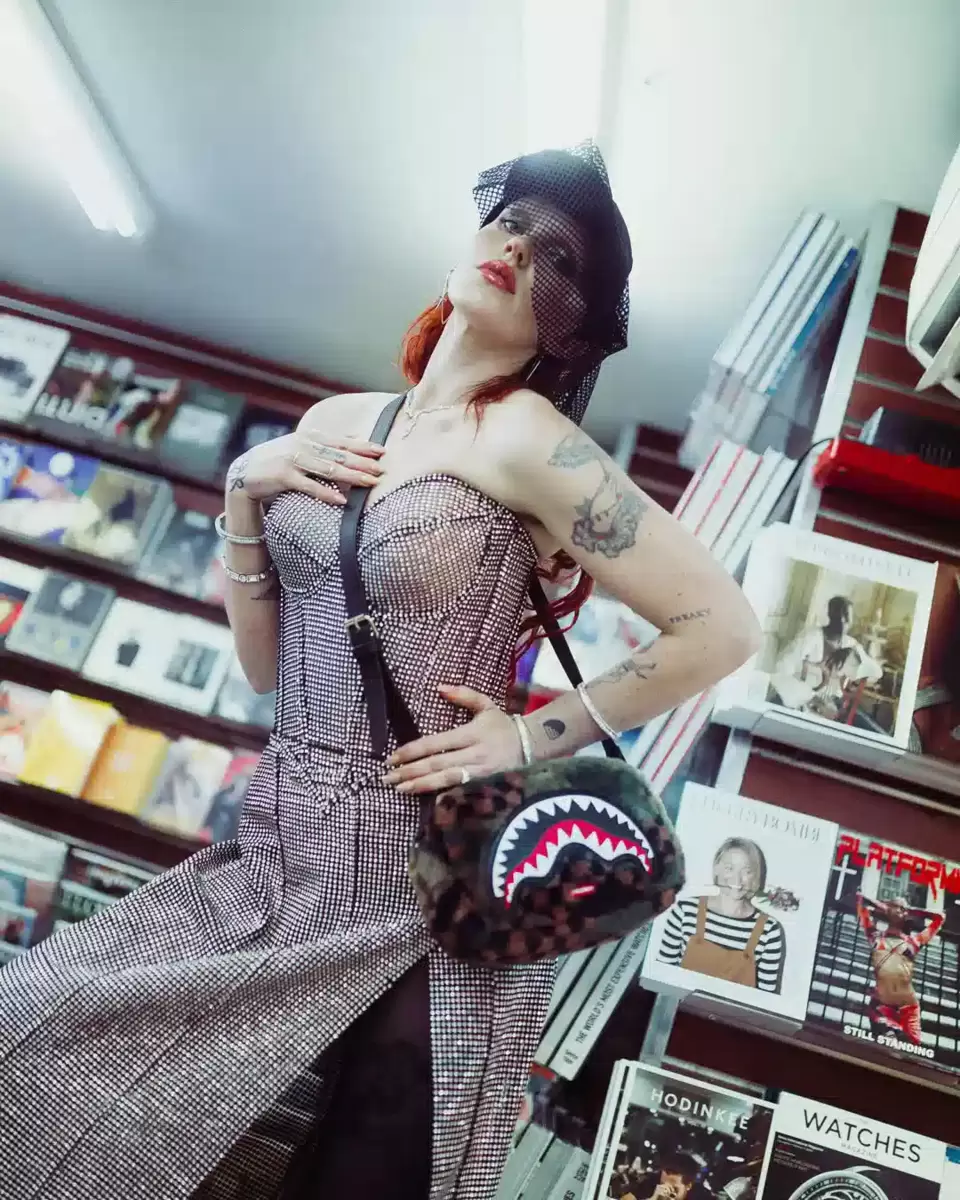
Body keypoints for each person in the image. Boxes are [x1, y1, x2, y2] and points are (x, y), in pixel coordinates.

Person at [0, 144, 761, 1200]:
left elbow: (720, 625)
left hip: (425, 872)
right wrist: (244, 490)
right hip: (280, 842)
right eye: (512, 223)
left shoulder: (527, 439)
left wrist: (527, 735)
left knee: (361, 1177)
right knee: (38, 1040)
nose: (518, 251)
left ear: (569, 328)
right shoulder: (335, 425)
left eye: (558, 259)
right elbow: (266, 667)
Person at [658, 838, 785, 992]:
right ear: (717, 869)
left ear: (755, 876)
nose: (737, 879)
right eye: (729, 868)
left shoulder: (769, 930)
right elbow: (661, 977)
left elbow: (765, 999)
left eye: (747, 871)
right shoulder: (685, 911)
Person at [769, 595, 884, 727]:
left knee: (869, 728)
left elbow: (876, 674)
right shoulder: (810, 637)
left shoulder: (850, 644)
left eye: (847, 616)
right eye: (839, 615)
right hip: (804, 701)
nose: (843, 620)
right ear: (830, 615)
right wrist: (810, 697)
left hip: (834, 706)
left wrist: (854, 654)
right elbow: (779, 670)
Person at [857, 891, 944, 1046]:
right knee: (887, 1044)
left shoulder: (913, 942)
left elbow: (939, 918)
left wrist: (911, 911)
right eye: (896, 906)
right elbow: (860, 899)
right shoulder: (876, 937)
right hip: (882, 1005)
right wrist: (885, 907)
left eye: (903, 909)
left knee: (912, 1050)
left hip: (909, 1008)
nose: (900, 910)